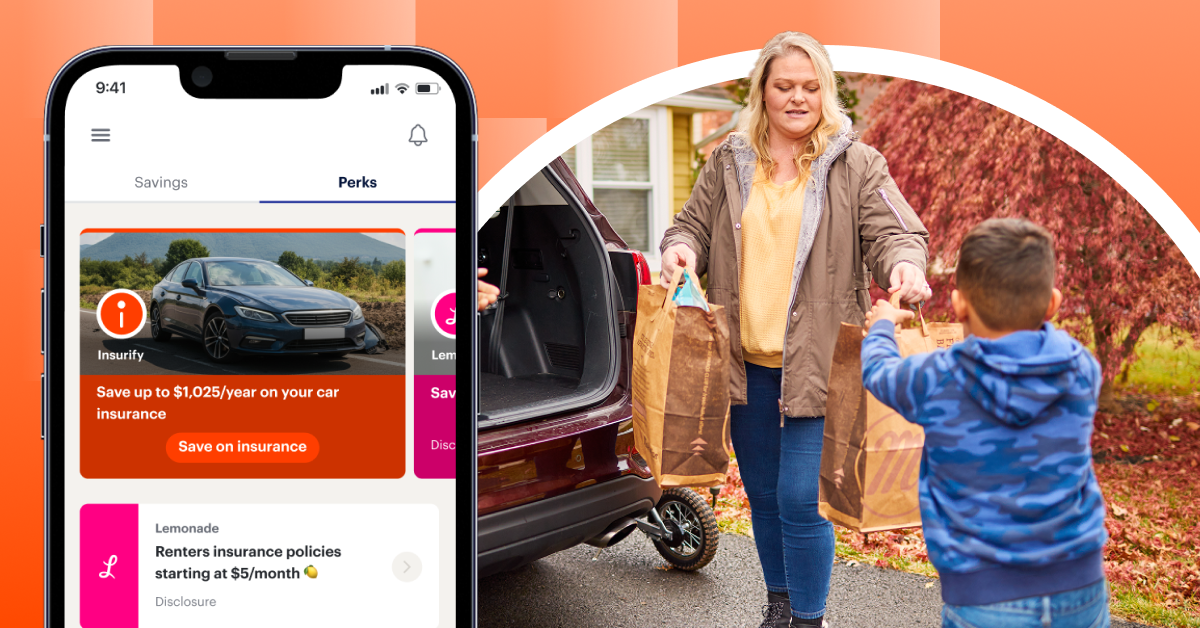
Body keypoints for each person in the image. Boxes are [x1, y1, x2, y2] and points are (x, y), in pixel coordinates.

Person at [659, 31, 931, 628]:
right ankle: (779, 606)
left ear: (826, 92)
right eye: (784, 86)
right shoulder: (729, 161)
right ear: (763, 90)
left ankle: (810, 619)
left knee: (800, 501)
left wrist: (904, 263)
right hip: (745, 363)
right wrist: (680, 250)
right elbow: (689, 228)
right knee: (761, 494)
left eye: (810, 87)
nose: (798, 98)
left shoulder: (857, 163)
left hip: (819, 362)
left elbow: (896, 232)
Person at [861, 218, 1109, 628]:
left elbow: (880, 373)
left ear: (959, 306)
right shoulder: (1081, 369)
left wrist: (882, 326)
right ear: (1053, 304)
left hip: (983, 596)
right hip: (1079, 584)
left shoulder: (938, 378)